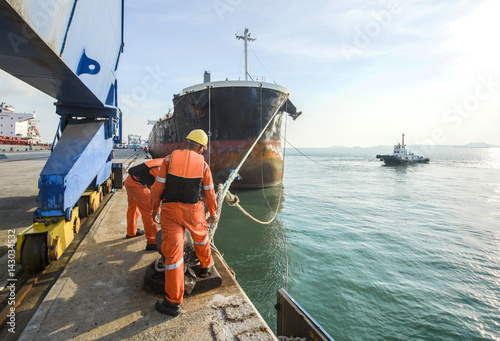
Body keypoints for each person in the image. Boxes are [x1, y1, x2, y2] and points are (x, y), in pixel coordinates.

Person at [150, 129, 217, 317]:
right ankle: (206, 267)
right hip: (193, 211)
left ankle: (172, 303)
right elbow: (209, 193)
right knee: (201, 240)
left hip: (170, 212)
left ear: (187, 143)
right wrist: (212, 213)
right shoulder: (203, 165)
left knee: (173, 256)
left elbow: (157, 188)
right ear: (201, 148)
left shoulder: (169, 160)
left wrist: (155, 208)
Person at [124, 158, 164, 251]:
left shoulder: (162, 161)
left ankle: (131, 232)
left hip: (129, 181)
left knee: (132, 208)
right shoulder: (161, 169)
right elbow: (157, 191)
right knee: (149, 211)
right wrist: (156, 209)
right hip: (136, 185)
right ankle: (152, 241)